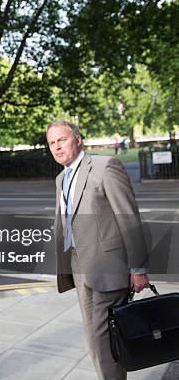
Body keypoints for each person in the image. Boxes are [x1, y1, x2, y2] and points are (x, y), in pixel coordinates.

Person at [47, 121, 149, 380]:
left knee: (106, 345)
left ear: (78, 139)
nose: (57, 147)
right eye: (52, 143)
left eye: (62, 140)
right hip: (80, 269)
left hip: (109, 268)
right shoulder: (61, 178)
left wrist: (137, 268)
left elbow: (129, 217)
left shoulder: (105, 167)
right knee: (94, 341)